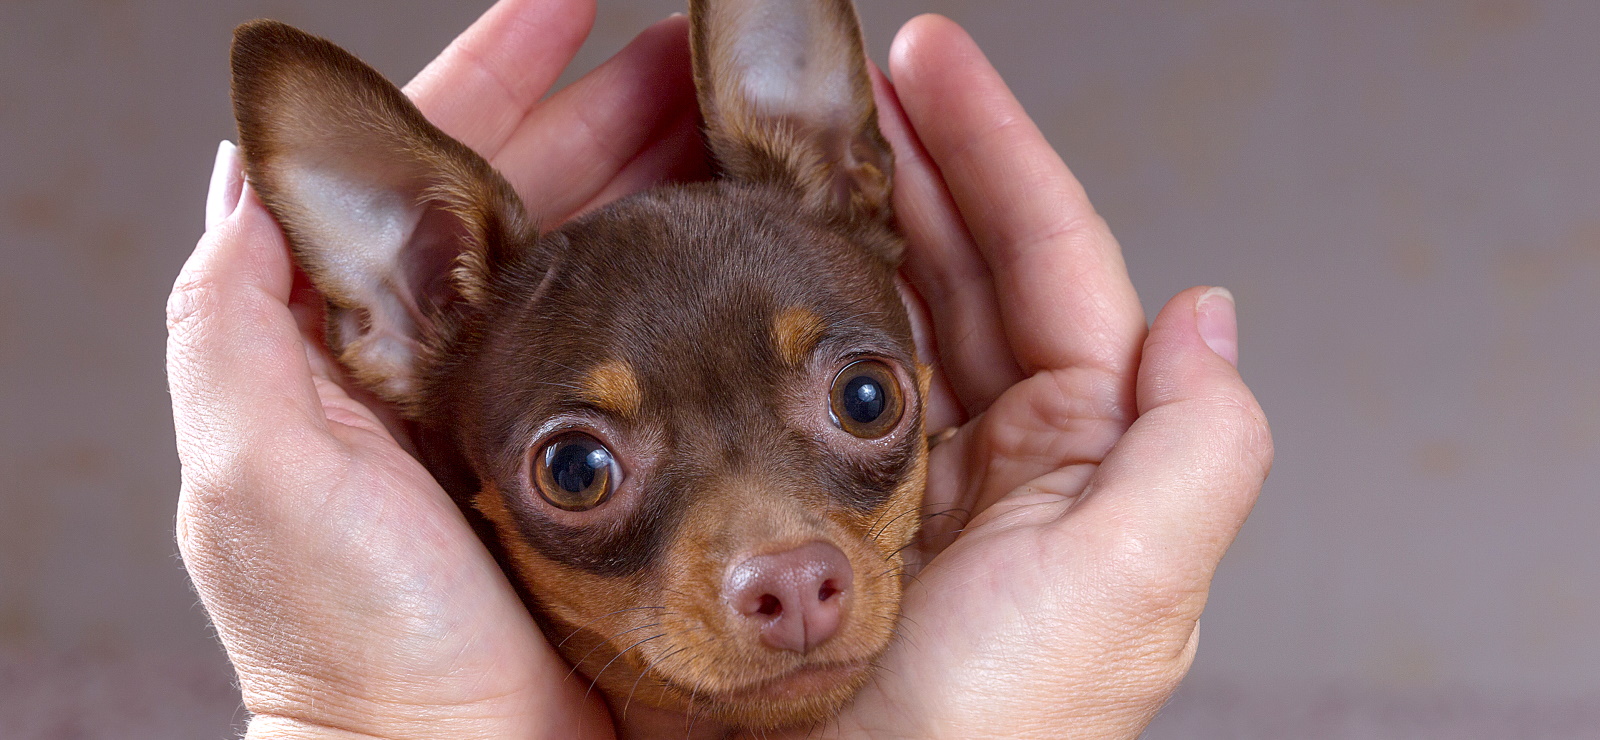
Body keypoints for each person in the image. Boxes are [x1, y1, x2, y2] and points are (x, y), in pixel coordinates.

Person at [166, 2, 1273, 738]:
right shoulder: (458, 307)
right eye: (583, 470)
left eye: (860, 401)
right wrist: (357, 716)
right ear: (410, 324)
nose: (779, 568)